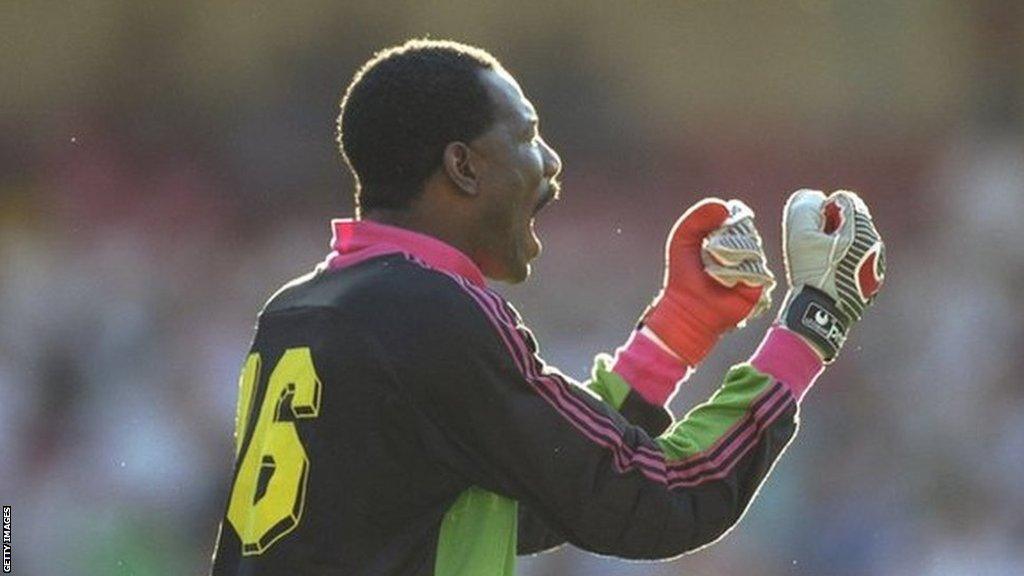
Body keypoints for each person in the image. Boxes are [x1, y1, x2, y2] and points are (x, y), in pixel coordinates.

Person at [209, 39, 885, 576]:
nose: (550, 160)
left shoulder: (299, 312)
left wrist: (676, 334)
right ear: (464, 167)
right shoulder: (435, 312)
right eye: (528, 135)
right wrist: (815, 320)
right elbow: (658, 498)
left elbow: (526, 496)